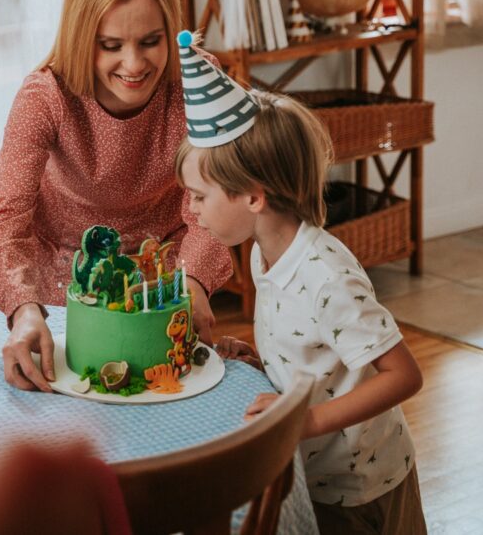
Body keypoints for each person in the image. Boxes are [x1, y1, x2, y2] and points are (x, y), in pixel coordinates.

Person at [174, 39, 427, 535]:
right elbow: (310, 349)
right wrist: (259, 357)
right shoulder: (263, 251)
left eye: (199, 196)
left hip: (362, 484)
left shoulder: (325, 275)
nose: (193, 209)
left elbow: (403, 376)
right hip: (314, 475)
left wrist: (305, 422)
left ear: (252, 197)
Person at [0, 0, 233, 393]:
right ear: (81, 39)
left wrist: (193, 278)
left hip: (165, 285)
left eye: (151, 42)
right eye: (111, 46)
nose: (134, 64)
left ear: (172, 33)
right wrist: (23, 308)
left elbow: (214, 202)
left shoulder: (196, 81)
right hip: (63, 287)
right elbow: (5, 220)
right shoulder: (45, 96)